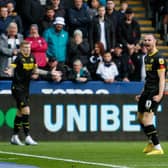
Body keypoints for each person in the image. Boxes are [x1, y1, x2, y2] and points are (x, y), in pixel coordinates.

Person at [135, 34, 167, 155]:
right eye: (145, 40)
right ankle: (151, 141)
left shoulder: (159, 58)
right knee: (140, 118)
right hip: (147, 90)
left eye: (149, 40)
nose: (146, 42)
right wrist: (142, 93)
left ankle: (158, 148)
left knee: (147, 120)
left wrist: (160, 94)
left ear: (155, 42)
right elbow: (149, 78)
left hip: (154, 91)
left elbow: (162, 79)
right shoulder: (146, 57)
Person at [4, 41, 38, 145]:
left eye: (29, 48)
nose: (27, 49)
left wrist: (38, 74)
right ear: (21, 49)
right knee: (26, 111)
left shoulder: (33, 57)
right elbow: (12, 66)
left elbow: (36, 70)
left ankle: (14, 137)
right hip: (17, 88)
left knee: (20, 112)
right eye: (25, 48)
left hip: (26, 89)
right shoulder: (18, 58)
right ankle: (27, 136)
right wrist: (9, 71)